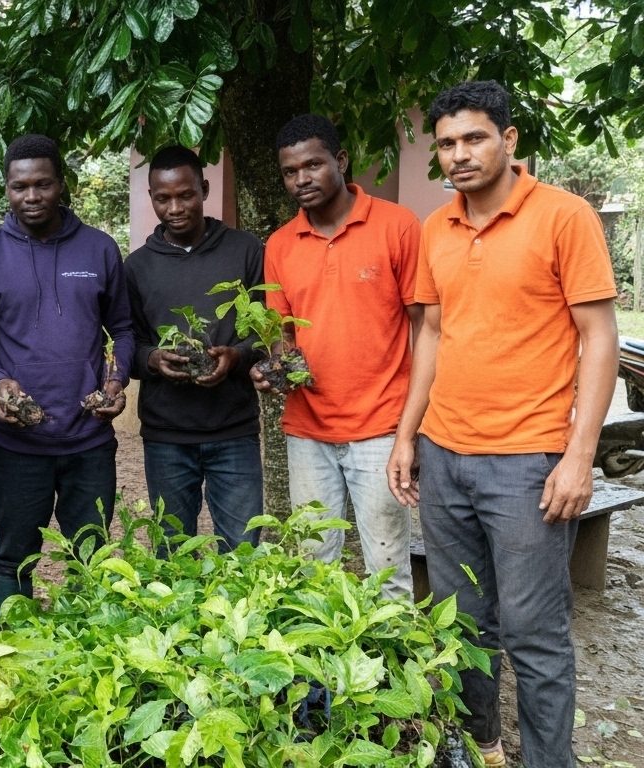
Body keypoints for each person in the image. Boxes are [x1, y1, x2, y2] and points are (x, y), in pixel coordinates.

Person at [387, 81, 618, 768]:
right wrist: (407, 434)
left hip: (528, 463)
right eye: (448, 144)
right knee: (461, 625)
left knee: (535, 632)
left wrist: (580, 456)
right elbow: (431, 333)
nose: (459, 155)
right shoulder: (437, 227)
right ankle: (478, 745)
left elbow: (598, 336)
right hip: (445, 454)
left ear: (509, 139)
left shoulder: (564, 217)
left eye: (474, 138)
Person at [258, 114, 419, 599]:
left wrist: (412, 429)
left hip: (381, 428)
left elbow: (426, 326)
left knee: (387, 568)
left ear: (340, 161)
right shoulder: (281, 245)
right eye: (290, 171)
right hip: (308, 430)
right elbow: (280, 336)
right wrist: (272, 367)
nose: (301, 179)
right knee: (313, 566)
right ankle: (320, 677)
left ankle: (395, 673)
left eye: (313, 165)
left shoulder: (397, 225)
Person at [0, 134, 131, 614]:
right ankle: (16, 650)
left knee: (92, 555)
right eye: (20, 186)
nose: (32, 196)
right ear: (7, 189)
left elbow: (123, 327)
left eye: (43, 184)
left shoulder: (99, 249)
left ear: (62, 185)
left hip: (88, 440)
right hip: (18, 444)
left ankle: (88, 652)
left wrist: (115, 381)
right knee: (14, 557)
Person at [126, 146, 265, 552]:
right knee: (171, 550)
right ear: (151, 197)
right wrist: (152, 359)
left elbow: (265, 332)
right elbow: (128, 344)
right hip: (166, 435)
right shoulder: (136, 267)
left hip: (234, 430)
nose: (175, 207)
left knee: (242, 551)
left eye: (185, 194)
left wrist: (236, 356)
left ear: (204, 189)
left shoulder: (244, 250)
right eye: (162, 198)